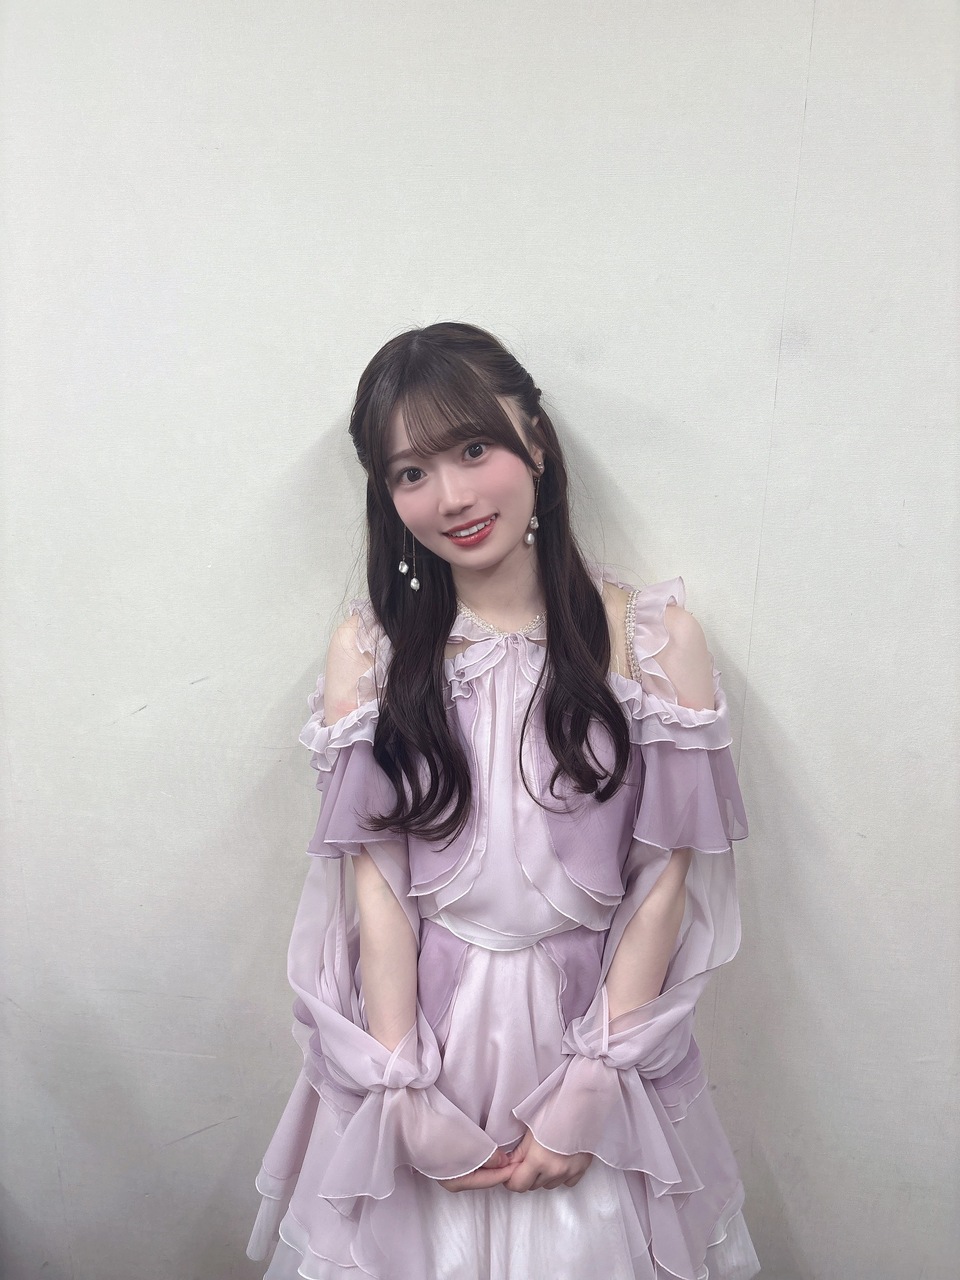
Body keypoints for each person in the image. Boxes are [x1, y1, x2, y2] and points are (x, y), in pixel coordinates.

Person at [246, 323, 761, 1280]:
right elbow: (376, 887)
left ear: (537, 443)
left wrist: (597, 1085)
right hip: (428, 1036)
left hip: (589, 1028)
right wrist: (401, 1090)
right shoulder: (372, 653)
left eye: (474, 449)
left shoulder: (649, 641)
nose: (450, 497)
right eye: (411, 473)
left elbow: (664, 880)